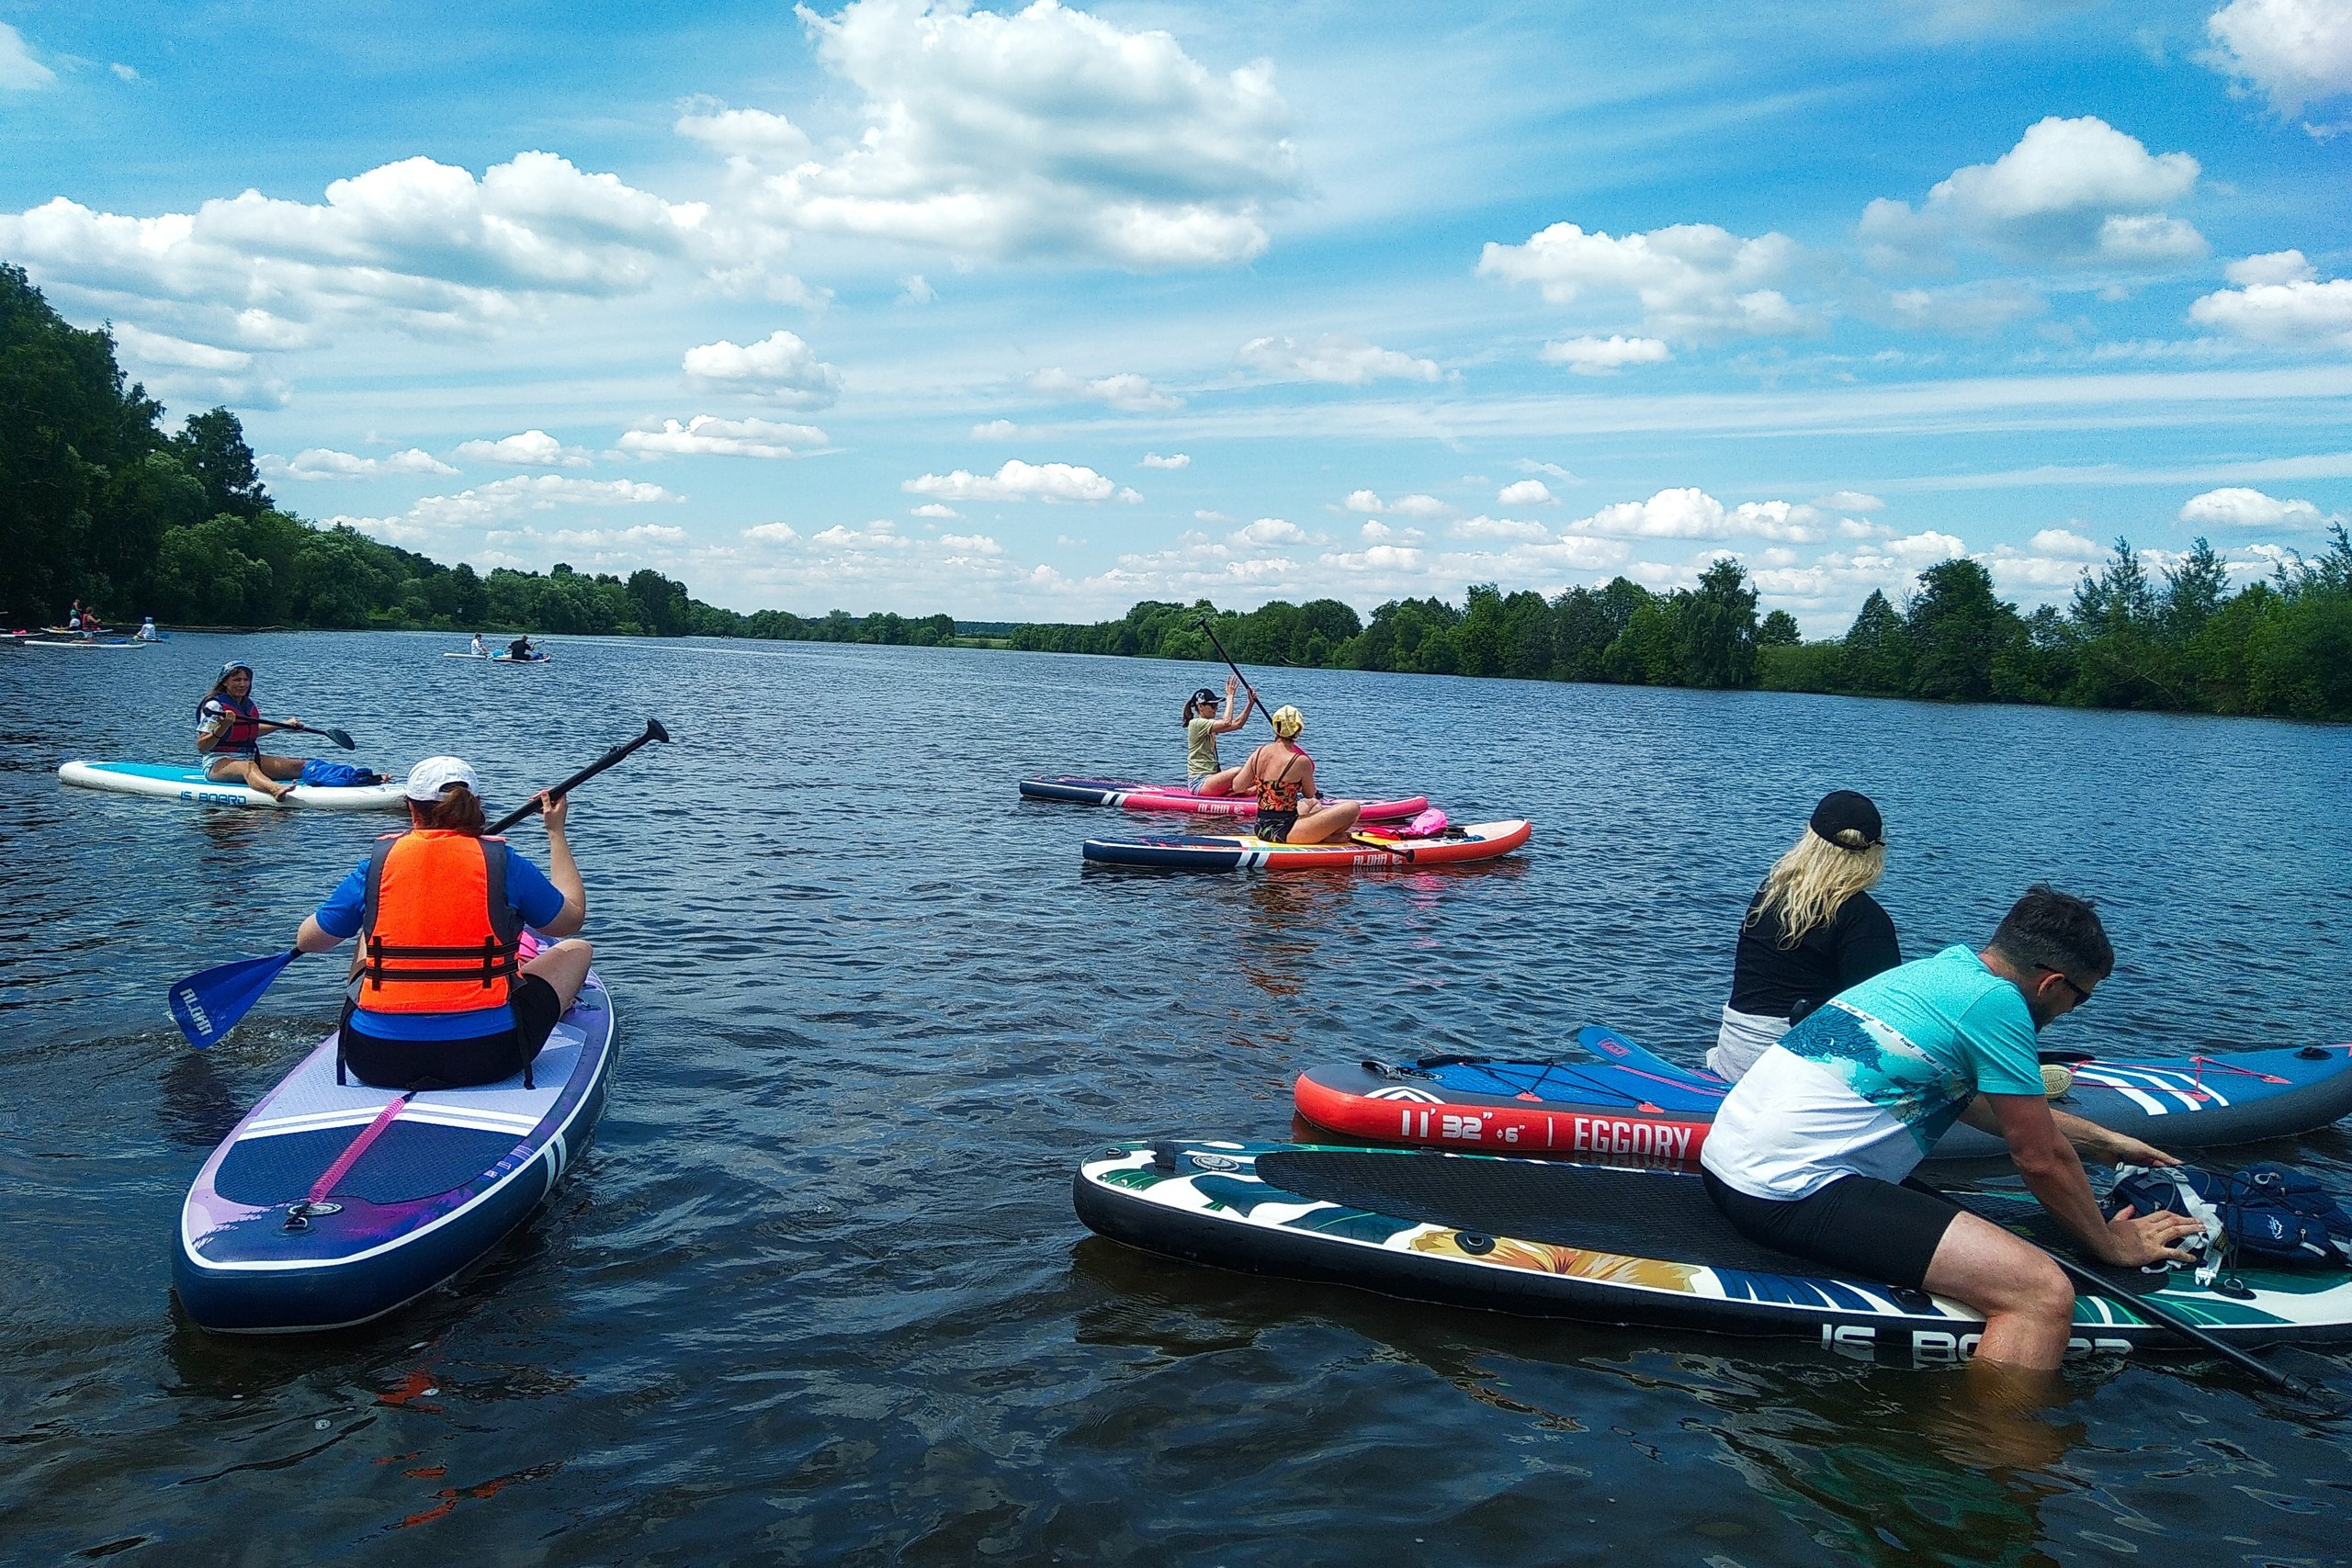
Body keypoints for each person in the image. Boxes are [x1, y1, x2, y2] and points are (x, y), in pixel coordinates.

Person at [1699, 886, 2201, 1378]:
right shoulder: (1996, 1005)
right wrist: (2111, 1246)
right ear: (2053, 984)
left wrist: (2103, 1141)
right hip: (1786, 1190)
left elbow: (1970, 1103)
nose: (2074, 1011)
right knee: (2040, 1293)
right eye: (2082, 998)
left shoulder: (1940, 973)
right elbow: (2040, 1159)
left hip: (1725, 1167)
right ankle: (1992, 1452)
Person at [293, 756, 591, 1090]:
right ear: (476, 804)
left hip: (375, 1058)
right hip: (488, 1055)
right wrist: (555, 833)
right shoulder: (504, 863)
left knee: (369, 929)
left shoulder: (375, 867)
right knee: (577, 950)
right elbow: (570, 919)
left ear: (410, 806)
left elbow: (309, 941)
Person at [1710, 790, 1902, 1080]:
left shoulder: (1769, 893)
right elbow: (1885, 1019)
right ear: (1873, 854)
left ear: (1810, 838)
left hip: (1734, 1056)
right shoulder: (1865, 919)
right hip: (1790, 1073)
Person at [1232, 705, 1361, 844]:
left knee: (1312, 804)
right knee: (1353, 808)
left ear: (1275, 727)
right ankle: (1324, 838)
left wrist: (1265, 783)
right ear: (1298, 730)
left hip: (1261, 827)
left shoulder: (1259, 752)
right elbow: (1309, 793)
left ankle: (1320, 834)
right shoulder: (1300, 761)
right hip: (1284, 831)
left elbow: (1237, 786)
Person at [196, 659, 309, 802]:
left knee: (299, 765)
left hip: (249, 757)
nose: (242, 684)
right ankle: (276, 790)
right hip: (217, 762)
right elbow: (202, 746)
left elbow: (251, 731)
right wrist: (223, 726)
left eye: (246, 680)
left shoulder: (246, 704)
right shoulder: (214, 706)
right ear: (225, 682)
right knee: (248, 767)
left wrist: (283, 725)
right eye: (237, 680)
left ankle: (343, 776)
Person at [1184, 676, 1256, 793]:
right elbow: (1226, 722)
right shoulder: (1196, 724)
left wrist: (1250, 704)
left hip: (1212, 778)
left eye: (1216, 706)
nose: (1216, 709)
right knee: (1237, 771)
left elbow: (1238, 724)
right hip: (1199, 781)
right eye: (1213, 705)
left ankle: (1243, 791)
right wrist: (1230, 696)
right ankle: (1240, 791)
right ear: (1200, 706)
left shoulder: (1210, 725)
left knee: (1257, 776)